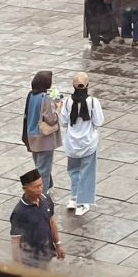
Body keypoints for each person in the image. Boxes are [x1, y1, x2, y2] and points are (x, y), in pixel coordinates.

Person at [59, 73, 104, 215]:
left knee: (74, 171)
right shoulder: (93, 102)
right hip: (88, 143)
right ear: (87, 85)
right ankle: (83, 203)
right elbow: (99, 121)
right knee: (87, 172)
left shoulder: (67, 102)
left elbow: (64, 121)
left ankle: (74, 197)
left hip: (72, 143)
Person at [10, 168, 64, 268]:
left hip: (46, 252)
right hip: (30, 258)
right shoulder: (19, 212)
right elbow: (15, 240)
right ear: (25, 189)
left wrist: (58, 244)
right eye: (36, 187)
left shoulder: (46, 199)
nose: (40, 189)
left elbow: (51, 222)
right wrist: (17, 265)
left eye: (41, 185)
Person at [22, 70, 61, 194]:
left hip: (32, 135)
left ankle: (49, 185)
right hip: (44, 139)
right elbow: (51, 119)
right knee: (43, 169)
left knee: (40, 163)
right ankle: (41, 195)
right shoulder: (45, 98)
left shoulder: (31, 95)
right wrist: (58, 106)